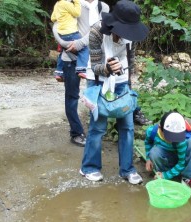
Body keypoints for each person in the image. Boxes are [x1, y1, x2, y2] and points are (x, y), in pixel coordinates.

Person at [79, 0, 149, 184]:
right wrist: (108, 69)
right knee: (98, 128)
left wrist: (128, 87)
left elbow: (131, 64)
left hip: (121, 83)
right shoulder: (96, 32)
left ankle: (127, 169)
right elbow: (94, 66)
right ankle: (89, 167)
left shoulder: (131, 37)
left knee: (127, 127)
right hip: (98, 82)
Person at [52, 0, 110, 147]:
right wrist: (67, 44)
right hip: (72, 56)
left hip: (97, 58)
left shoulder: (103, 7)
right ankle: (76, 132)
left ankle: (96, 130)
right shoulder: (73, 4)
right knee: (72, 96)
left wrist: (81, 43)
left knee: (98, 94)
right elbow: (57, 26)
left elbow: (103, 31)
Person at [144, 111, 191, 193]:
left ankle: (188, 178)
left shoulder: (181, 140)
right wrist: (148, 158)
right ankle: (163, 174)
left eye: (175, 136)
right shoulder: (151, 131)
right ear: (160, 128)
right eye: (169, 136)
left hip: (181, 159)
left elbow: (181, 162)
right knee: (154, 152)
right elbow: (148, 142)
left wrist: (166, 175)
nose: (172, 139)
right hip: (166, 159)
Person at [51, 0, 90, 81]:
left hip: (61, 33)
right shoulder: (66, 3)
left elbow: (53, 18)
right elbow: (77, 13)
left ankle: (59, 72)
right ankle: (81, 69)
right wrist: (76, 2)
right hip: (71, 32)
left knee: (63, 51)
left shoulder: (57, 4)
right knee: (84, 49)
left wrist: (62, 16)